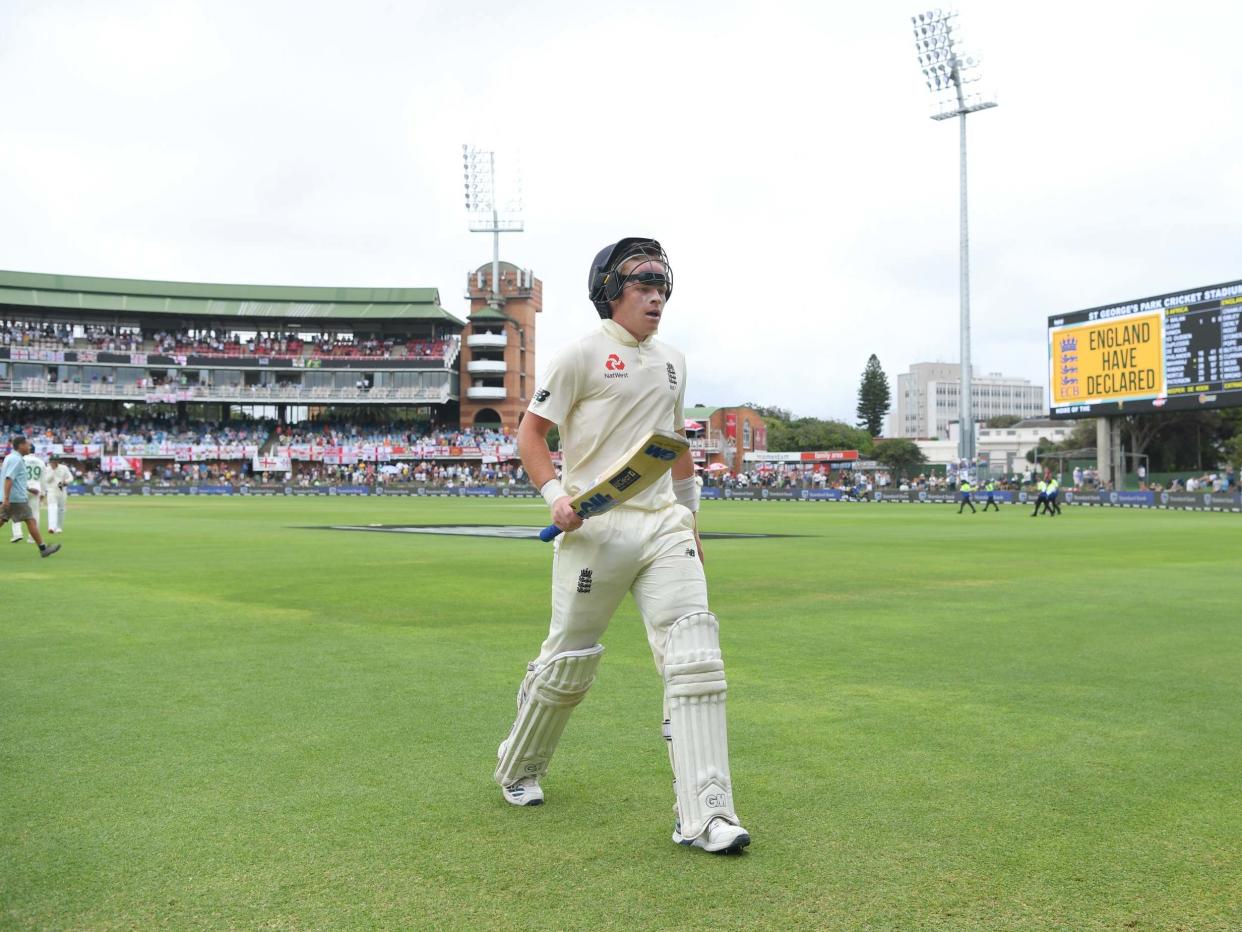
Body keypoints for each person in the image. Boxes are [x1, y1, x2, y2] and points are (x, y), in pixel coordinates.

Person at [493, 237, 749, 854]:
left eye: (663, 284)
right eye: (642, 283)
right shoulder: (580, 355)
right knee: (568, 661)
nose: (656, 295)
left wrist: (689, 519)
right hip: (596, 527)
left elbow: (675, 444)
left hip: (662, 524)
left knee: (694, 653)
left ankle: (706, 814)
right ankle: (519, 762)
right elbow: (531, 432)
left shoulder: (674, 361)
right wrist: (554, 492)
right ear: (610, 291)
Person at [0, 436, 60, 558]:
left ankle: (43, 548)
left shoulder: (10, 458)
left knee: (2, 520)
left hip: (12, 496)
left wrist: (26, 489)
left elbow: (13, 479)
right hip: (16, 498)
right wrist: (6, 498)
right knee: (30, 520)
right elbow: (9, 479)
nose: (29, 447)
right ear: (21, 445)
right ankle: (43, 549)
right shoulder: (16, 459)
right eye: (27, 445)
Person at [11, 445, 46, 543]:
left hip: (23, 487)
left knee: (16, 510)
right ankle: (32, 538)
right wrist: (43, 492)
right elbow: (43, 479)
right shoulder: (41, 462)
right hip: (36, 488)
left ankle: (17, 534)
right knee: (35, 513)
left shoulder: (21, 459)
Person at [46, 453, 74, 533]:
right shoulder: (47, 469)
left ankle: (59, 527)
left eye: (56, 461)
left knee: (61, 509)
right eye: (53, 461)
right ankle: (51, 527)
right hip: (51, 490)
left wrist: (65, 481)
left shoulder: (64, 468)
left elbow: (71, 477)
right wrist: (53, 471)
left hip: (62, 490)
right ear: (50, 462)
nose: (54, 463)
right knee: (52, 507)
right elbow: (46, 480)